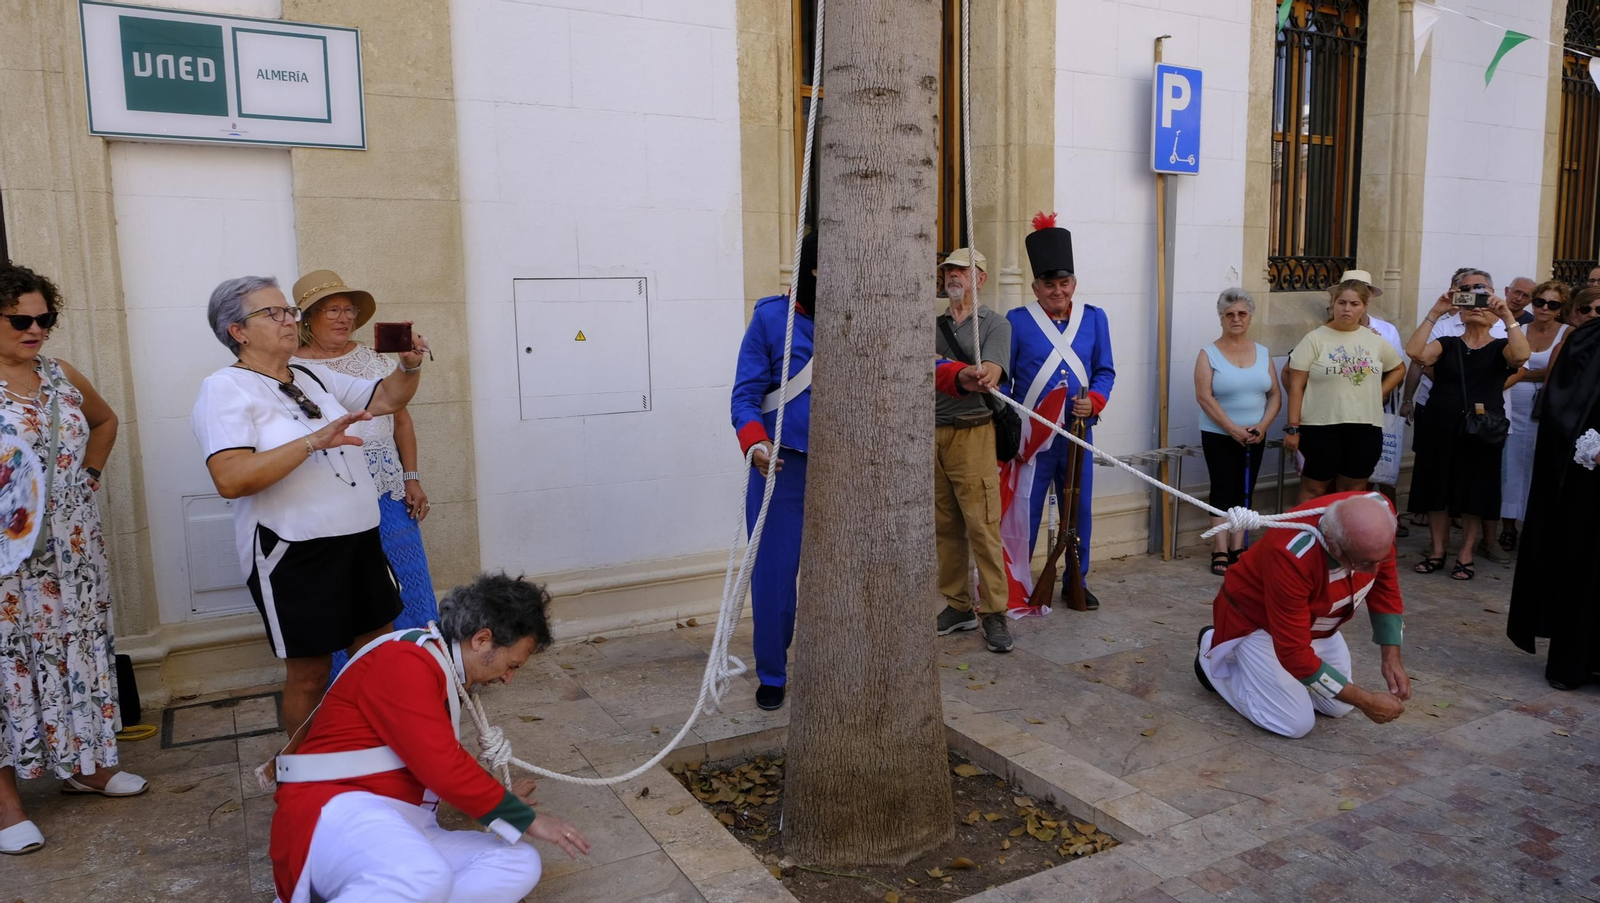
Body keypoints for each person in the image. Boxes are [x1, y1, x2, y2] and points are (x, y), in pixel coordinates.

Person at [731, 232, 984, 710]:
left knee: (854, 576)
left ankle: (845, 666)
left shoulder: (864, 316)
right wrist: (754, 444)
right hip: (782, 465)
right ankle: (772, 671)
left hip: (850, 466)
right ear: (815, 273)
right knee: (774, 577)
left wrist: (956, 375)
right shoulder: (771, 318)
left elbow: (912, 361)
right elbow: (744, 396)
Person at [192, 276, 429, 748]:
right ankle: (302, 771)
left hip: (359, 539)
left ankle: (374, 756)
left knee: (375, 655)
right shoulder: (226, 390)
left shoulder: (310, 376)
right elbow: (231, 478)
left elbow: (386, 398)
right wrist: (311, 442)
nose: (289, 321)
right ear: (238, 331)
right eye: (274, 313)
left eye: (289, 312)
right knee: (310, 674)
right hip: (294, 551)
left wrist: (408, 366)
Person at [268, 573, 591, 902]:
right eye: (512, 665)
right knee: (425, 877)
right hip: (335, 808)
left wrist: (498, 797)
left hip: (402, 819)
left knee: (518, 863)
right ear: (481, 639)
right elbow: (442, 764)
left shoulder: (436, 664)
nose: (508, 678)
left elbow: (439, 754)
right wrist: (524, 818)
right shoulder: (404, 661)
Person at [0, 264, 144, 856]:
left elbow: (105, 421)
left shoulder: (60, 376)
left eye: (45, 318)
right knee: (9, 668)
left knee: (77, 654)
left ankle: (87, 765)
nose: (36, 329)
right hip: (8, 565)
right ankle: (5, 803)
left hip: (74, 553)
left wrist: (87, 475)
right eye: (21, 320)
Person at [291, 270, 438, 679]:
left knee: (408, 582)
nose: (343, 318)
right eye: (331, 310)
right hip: (328, 497)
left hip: (386, 489)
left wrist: (411, 477)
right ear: (307, 318)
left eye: (348, 309)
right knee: (344, 591)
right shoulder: (289, 371)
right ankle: (352, 684)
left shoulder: (374, 360)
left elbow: (401, 422)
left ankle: (421, 674)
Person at [1195, 492, 1411, 739]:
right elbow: (1294, 653)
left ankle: (1277, 681)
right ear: (1333, 544)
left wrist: (1391, 656)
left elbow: (1385, 585)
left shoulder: (1379, 513)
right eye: (1364, 563)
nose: (1373, 571)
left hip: (1318, 624)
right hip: (1258, 623)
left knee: (1339, 706)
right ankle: (1212, 655)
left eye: (1378, 560)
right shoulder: (1290, 554)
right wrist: (1366, 701)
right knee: (1294, 723)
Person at [1000, 213, 1115, 615]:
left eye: (1063, 283)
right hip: (1034, 440)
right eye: (1049, 284)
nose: (1057, 290)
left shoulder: (1094, 318)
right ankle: (1022, 581)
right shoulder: (1016, 322)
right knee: (1026, 512)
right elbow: (1003, 381)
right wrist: (1014, 424)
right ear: (1036, 287)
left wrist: (1095, 401)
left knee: (1077, 511)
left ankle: (1075, 581)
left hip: (1078, 433)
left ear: (1074, 284)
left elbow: (1105, 371)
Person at [1403, 285, 1529, 580]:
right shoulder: (1446, 343)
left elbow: (1522, 356)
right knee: (1438, 491)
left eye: (1484, 304)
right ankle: (1437, 550)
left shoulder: (1501, 347)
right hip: (1440, 426)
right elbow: (1415, 352)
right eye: (1471, 303)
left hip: (1481, 433)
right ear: (1460, 311)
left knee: (1474, 493)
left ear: (1494, 316)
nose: (1477, 307)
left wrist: (1507, 315)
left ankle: (1466, 553)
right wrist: (1435, 312)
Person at [1508, 316, 1600, 689]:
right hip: (1590, 485)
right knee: (1587, 570)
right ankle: (1575, 662)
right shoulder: (1589, 339)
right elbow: (1566, 408)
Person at [932, 248, 1015, 652]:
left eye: (961, 270)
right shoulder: (932, 325)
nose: (952, 276)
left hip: (974, 434)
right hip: (933, 434)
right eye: (948, 269)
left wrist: (955, 370)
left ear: (979, 278)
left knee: (982, 525)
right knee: (945, 527)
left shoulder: (996, 325)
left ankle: (995, 611)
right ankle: (957, 605)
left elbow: (992, 374)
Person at [1281, 280, 1405, 502]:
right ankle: (1311, 535)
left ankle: (1343, 537)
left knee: (1352, 493)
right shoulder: (1314, 339)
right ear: (1333, 305)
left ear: (1364, 307)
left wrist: (1379, 392)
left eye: (1354, 304)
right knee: (1314, 491)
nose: (1347, 309)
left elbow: (1398, 368)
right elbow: (1296, 384)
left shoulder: (1374, 340)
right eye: (1342, 302)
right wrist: (1293, 428)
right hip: (1320, 428)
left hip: (1365, 428)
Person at [1194, 288, 1280, 575]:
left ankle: (1238, 545)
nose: (1236, 318)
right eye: (1229, 314)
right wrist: (1231, 429)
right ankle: (1220, 548)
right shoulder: (1208, 354)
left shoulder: (1263, 352)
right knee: (1222, 488)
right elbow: (1205, 397)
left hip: (1254, 435)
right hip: (1219, 434)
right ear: (1221, 318)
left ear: (1250, 317)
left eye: (1242, 313)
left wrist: (1263, 426)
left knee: (1245, 491)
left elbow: (1275, 395)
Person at [1498, 281, 1570, 551]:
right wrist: (1528, 374)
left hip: (1546, 408)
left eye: (1553, 304)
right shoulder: (1518, 330)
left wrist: (1523, 374)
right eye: (1540, 302)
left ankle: (1533, 526)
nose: (1544, 308)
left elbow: (1560, 371)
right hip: (1512, 405)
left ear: (1561, 308)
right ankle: (1507, 527)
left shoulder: (1568, 333)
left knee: (1538, 465)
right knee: (1512, 466)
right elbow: (1505, 364)